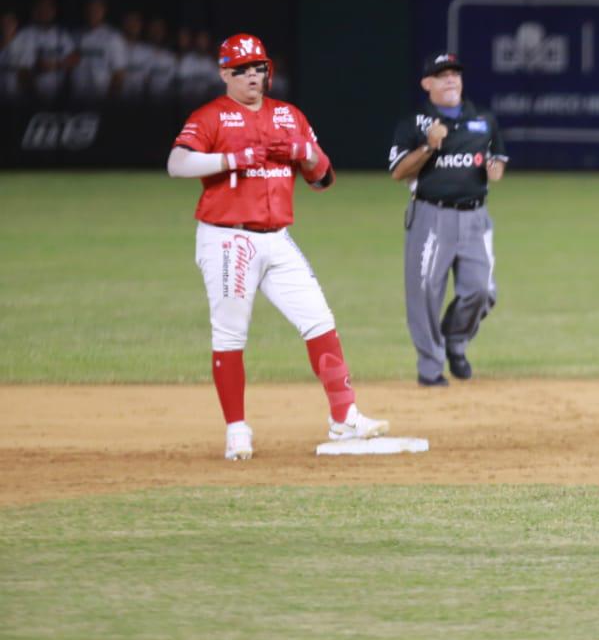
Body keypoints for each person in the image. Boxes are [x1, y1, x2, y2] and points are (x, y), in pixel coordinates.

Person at [166, 33, 388, 461]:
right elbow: (177, 163)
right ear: (224, 74)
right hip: (228, 237)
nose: (253, 75)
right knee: (231, 332)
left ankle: (345, 418)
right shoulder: (211, 115)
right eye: (242, 69)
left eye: (259, 67)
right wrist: (229, 160)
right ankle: (237, 430)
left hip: (278, 238)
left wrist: (305, 152)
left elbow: (323, 179)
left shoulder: (288, 115)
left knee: (319, 320)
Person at [388, 52, 508, 387]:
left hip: (474, 216)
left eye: (455, 73)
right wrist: (429, 147)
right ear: (427, 84)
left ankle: (455, 340)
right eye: (442, 75)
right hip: (431, 214)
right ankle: (430, 369)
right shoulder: (414, 122)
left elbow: (497, 162)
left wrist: (494, 168)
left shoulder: (482, 118)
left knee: (482, 290)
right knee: (425, 292)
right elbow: (398, 172)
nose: (451, 79)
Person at [11, 0, 75, 103]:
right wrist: (35, 71)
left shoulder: (61, 34)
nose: (44, 12)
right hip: (29, 97)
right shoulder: (24, 34)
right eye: (41, 8)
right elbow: (16, 68)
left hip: (59, 97)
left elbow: (75, 58)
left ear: (54, 12)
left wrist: (56, 65)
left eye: (48, 9)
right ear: (35, 11)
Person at [69, 0, 129, 103]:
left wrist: (111, 101)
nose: (93, 13)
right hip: (77, 98)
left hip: (102, 99)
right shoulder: (75, 35)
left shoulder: (113, 37)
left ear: (103, 11)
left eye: (97, 10)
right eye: (90, 10)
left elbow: (119, 73)